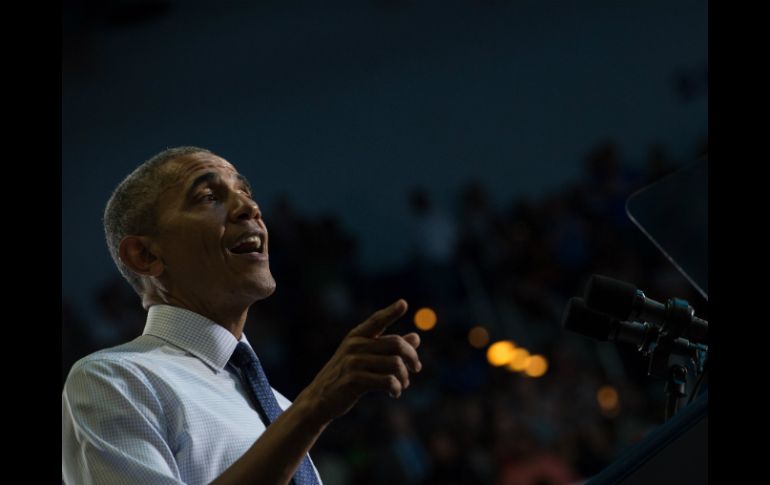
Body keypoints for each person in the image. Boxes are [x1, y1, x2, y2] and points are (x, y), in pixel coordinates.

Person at [62, 146, 423, 485]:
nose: (249, 208)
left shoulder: (279, 407)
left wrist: (307, 412)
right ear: (144, 255)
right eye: (208, 197)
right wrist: (313, 407)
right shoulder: (114, 382)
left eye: (246, 192)